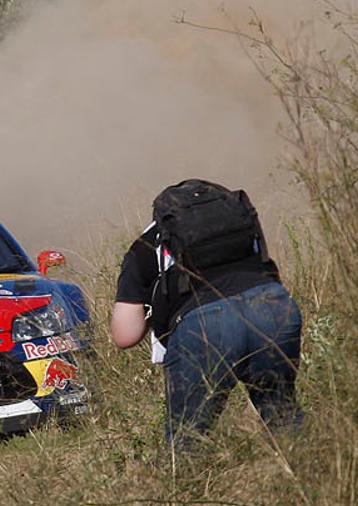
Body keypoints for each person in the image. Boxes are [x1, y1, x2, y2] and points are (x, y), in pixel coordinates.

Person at [110, 180, 303, 449]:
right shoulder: (238, 225)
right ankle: (309, 476)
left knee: (187, 443)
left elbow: (124, 335)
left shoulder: (145, 245)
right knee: (283, 417)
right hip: (272, 307)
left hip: (203, 326)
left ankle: (190, 488)